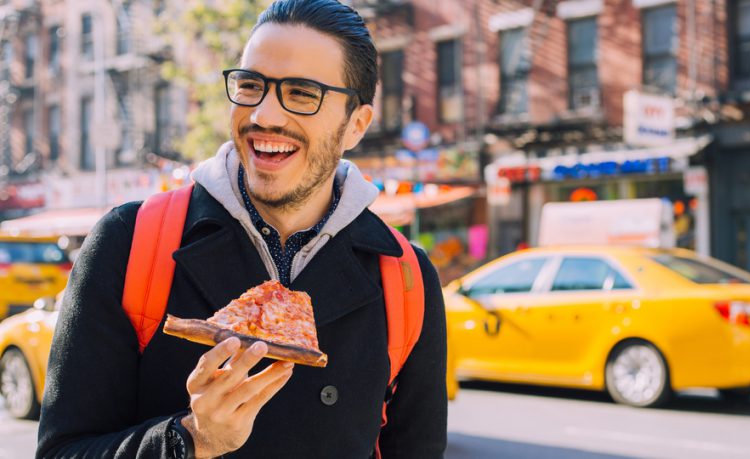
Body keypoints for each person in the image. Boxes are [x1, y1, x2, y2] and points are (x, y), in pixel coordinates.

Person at [36, 1, 447, 457]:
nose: (264, 116)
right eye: (252, 85)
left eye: (301, 93)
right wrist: (188, 440)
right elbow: (61, 450)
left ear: (356, 124)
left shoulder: (405, 277)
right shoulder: (129, 242)